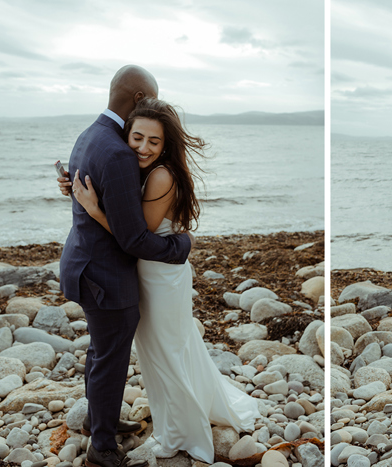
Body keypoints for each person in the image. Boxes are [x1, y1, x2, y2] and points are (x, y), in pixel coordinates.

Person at [64, 97, 260, 463]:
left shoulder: (159, 175)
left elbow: (134, 236)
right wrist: (72, 187)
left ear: (165, 145)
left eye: (153, 141)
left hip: (159, 275)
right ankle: (174, 412)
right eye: (137, 137)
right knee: (166, 348)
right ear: (127, 134)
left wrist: (92, 208)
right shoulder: (139, 168)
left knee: (166, 350)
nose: (143, 147)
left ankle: (180, 430)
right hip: (150, 272)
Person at [59, 65, 193, 467]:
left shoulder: (90, 134)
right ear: (138, 100)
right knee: (111, 358)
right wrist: (181, 246)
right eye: (151, 97)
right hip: (104, 274)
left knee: (101, 352)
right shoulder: (118, 152)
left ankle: (99, 420)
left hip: (83, 262)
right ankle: (101, 447)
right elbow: (134, 238)